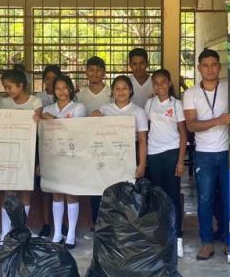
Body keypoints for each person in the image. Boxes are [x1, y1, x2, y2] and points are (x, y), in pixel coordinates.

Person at [182, 48, 230, 260]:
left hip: (228, 152)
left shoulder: (229, 88)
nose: (210, 69)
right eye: (205, 65)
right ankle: (206, 242)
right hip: (204, 154)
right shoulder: (191, 93)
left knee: (229, 198)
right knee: (205, 199)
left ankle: (229, 240)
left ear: (219, 67)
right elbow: (191, 125)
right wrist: (218, 121)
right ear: (199, 68)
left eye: (213, 65)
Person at [144, 68, 187, 258]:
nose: (160, 86)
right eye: (156, 83)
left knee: (172, 196)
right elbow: (145, 129)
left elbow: (183, 134)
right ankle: (159, 237)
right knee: (156, 197)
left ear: (169, 83)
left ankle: (177, 237)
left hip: (172, 153)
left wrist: (181, 161)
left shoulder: (177, 104)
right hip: (154, 153)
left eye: (163, 82)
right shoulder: (149, 103)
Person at [0, 68, 43, 245]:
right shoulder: (4, 103)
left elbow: (38, 116)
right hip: (8, 151)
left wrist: (38, 115)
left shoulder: (35, 101)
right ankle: (5, 231)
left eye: (9, 87)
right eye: (5, 87)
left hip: (29, 151)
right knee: (9, 191)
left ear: (21, 85)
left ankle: (22, 228)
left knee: (26, 189)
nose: (7, 90)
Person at [41, 74, 87, 249]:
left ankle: (71, 235)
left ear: (71, 89)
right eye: (57, 88)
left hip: (73, 155)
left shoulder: (78, 107)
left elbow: (74, 129)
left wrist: (53, 120)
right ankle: (57, 233)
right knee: (57, 194)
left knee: (71, 193)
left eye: (64, 87)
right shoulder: (48, 108)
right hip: (53, 157)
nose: (61, 91)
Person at [75, 56, 112, 240]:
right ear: (86, 72)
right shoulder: (80, 95)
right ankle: (95, 225)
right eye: (91, 70)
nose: (95, 73)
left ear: (104, 72)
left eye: (98, 70)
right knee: (93, 187)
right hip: (88, 147)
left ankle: (110, 226)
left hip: (110, 146)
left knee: (109, 186)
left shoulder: (112, 92)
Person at [92, 75, 149, 179]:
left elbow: (142, 140)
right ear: (112, 91)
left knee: (127, 185)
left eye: (124, 88)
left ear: (130, 90)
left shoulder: (138, 111)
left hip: (131, 155)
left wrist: (142, 164)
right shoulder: (104, 109)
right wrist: (94, 117)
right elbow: (96, 134)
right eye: (117, 89)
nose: (121, 92)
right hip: (108, 155)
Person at [34, 64, 61, 238]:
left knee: (61, 187)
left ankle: (62, 224)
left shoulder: (66, 95)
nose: (50, 81)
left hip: (61, 144)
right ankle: (46, 222)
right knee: (44, 187)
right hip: (42, 142)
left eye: (54, 78)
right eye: (48, 78)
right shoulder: (38, 98)